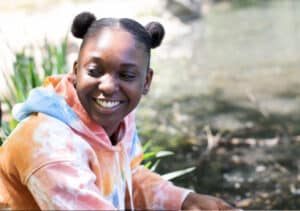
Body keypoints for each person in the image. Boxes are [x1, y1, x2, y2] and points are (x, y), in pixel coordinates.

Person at [0, 12, 235, 210]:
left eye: (126, 75)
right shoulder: (47, 146)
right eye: (94, 71)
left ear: (146, 81)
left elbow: (125, 178)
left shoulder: (116, 117)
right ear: (75, 71)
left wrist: (185, 201)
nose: (109, 87)